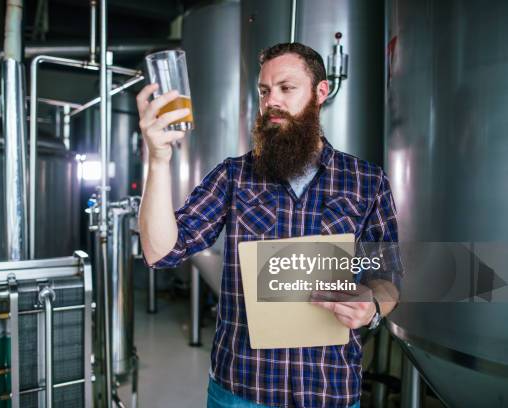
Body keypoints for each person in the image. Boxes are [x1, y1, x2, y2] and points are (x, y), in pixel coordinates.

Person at [136, 42, 400, 408]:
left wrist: (372, 305)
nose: (271, 100)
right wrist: (159, 160)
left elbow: (388, 275)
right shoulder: (233, 176)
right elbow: (160, 250)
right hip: (240, 393)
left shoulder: (366, 181)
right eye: (264, 91)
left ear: (320, 92)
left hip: (329, 392)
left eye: (286, 88)